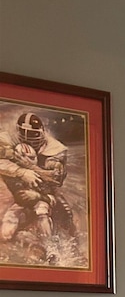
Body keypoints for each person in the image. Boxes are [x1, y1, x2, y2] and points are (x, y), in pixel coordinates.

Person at [0, 112, 75, 263]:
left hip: (43, 193)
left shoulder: (55, 149)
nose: (28, 137)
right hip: (19, 193)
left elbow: (56, 179)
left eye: (33, 134)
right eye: (24, 133)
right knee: (6, 233)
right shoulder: (7, 140)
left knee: (51, 212)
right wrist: (21, 171)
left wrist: (31, 167)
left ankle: (52, 249)